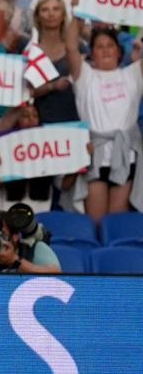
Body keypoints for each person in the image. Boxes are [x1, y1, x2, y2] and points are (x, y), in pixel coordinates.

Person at [65, 21, 143, 224]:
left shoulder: (133, 74)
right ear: (92, 53)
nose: (105, 50)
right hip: (95, 155)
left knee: (116, 223)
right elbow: (71, 46)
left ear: (119, 51)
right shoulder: (85, 76)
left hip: (125, 156)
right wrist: (76, 15)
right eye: (99, 46)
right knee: (97, 222)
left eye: (110, 45)